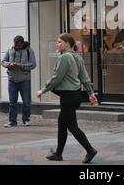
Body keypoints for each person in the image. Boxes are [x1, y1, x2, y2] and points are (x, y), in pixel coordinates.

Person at [36, 33, 99, 163]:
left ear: (67, 44)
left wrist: (43, 90)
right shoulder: (77, 57)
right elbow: (85, 77)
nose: (57, 44)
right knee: (62, 123)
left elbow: (56, 77)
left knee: (72, 126)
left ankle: (90, 150)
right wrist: (91, 93)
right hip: (75, 95)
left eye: (59, 42)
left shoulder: (64, 58)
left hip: (68, 96)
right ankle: (58, 154)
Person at [2, 35, 37, 128]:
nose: (17, 47)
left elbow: (33, 64)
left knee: (26, 102)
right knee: (12, 102)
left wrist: (22, 66)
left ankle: (26, 120)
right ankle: (12, 121)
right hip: (12, 80)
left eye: (19, 45)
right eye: (15, 45)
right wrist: (9, 64)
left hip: (25, 80)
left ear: (22, 43)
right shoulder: (10, 49)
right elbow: (3, 61)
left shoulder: (29, 51)